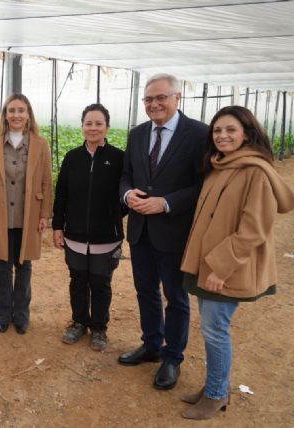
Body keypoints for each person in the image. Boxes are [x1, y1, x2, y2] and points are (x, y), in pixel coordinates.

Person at [179, 106, 294, 419]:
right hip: (209, 264)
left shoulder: (255, 172)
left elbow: (253, 229)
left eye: (231, 130)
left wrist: (221, 267)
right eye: (217, 130)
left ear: (247, 133)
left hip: (226, 268)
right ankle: (215, 385)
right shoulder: (220, 165)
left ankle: (216, 394)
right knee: (211, 328)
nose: (222, 136)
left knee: (215, 329)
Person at [118, 73, 208, 390]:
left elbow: (204, 186)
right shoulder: (137, 134)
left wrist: (166, 203)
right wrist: (127, 195)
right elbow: (126, 176)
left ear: (177, 98)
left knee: (176, 296)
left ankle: (172, 357)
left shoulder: (199, 134)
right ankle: (152, 344)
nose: (154, 104)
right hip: (141, 230)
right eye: (148, 99)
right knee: (145, 290)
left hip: (174, 231)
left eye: (161, 98)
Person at [0, 93, 53, 335]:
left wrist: (44, 214)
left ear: (28, 114)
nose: (16, 115)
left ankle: (21, 315)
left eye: (21, 110)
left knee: (24, 266)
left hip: (27, 215)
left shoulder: (40, 143)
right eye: (12, 110)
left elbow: (46, 182)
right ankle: (2, 315)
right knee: (3, 267)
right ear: (5, 115)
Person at [52, 103, 125, 351]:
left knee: (101, 283)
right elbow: (61, 195)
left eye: (99, 123)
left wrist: (113, 215)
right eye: (88, 123)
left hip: (107, 238)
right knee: (78, 281)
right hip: (74, 236)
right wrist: (58, 226)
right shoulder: (72, 158)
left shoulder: (118, 158)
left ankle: (99, 328)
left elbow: (126, 195)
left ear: (107, 127)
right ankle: (79, 323)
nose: (93, 128)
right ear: (82, 126)